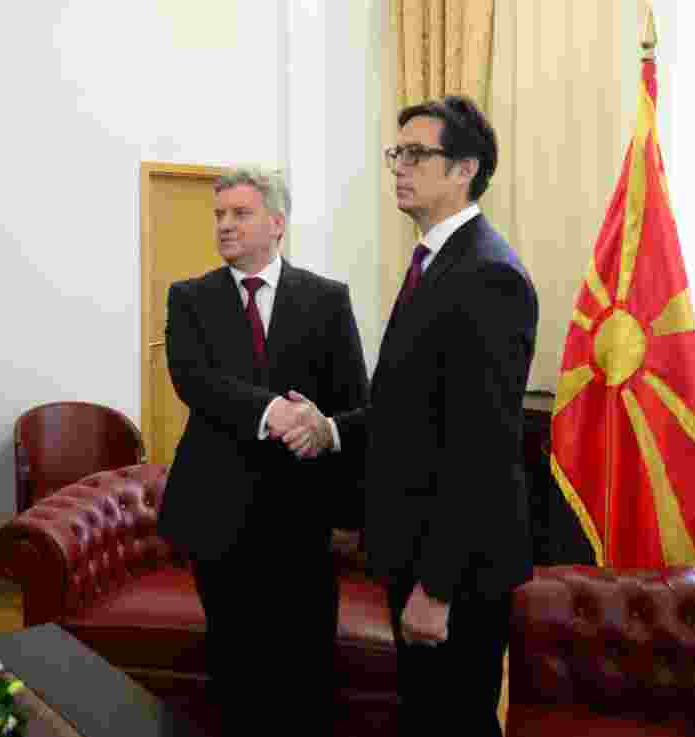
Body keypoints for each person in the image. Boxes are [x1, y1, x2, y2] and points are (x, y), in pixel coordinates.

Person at [282, 96, 538, 736]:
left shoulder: (487, 274)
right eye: (397, 153)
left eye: (417, 154)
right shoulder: (436, 259)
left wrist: (439, 587)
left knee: (452, 721)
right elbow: (415, 406)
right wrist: (333, 427)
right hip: (418, 549)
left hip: (457, 566)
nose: (399, 166)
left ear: (464, 170)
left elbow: (480, 444)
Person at [157, 166, 369, 737]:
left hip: (300, 516)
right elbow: (193, 381)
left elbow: (354, 401)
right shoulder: (190, 298)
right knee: (234, 670)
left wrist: (320, 430)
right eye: (219, 215)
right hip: (217, 514)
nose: (225, 225)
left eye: (239, 214)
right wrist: (274, 412)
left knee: (304, 671)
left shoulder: (327, 299)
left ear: (276, 223)